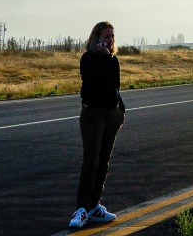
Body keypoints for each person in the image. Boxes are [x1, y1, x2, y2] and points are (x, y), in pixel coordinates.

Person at [69, 22, 126, 229]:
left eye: (112, 36)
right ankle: (81, 208)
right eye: (106, 36)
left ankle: (94, 206)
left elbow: (114, 86)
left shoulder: (113, 60)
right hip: (93, 114)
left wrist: (121, 110)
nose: (110, 40)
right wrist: (102, 57)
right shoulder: (88, 59)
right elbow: (93, 81)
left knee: (103, 162)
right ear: (96, 38)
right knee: (91, 161)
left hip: (112, 114)